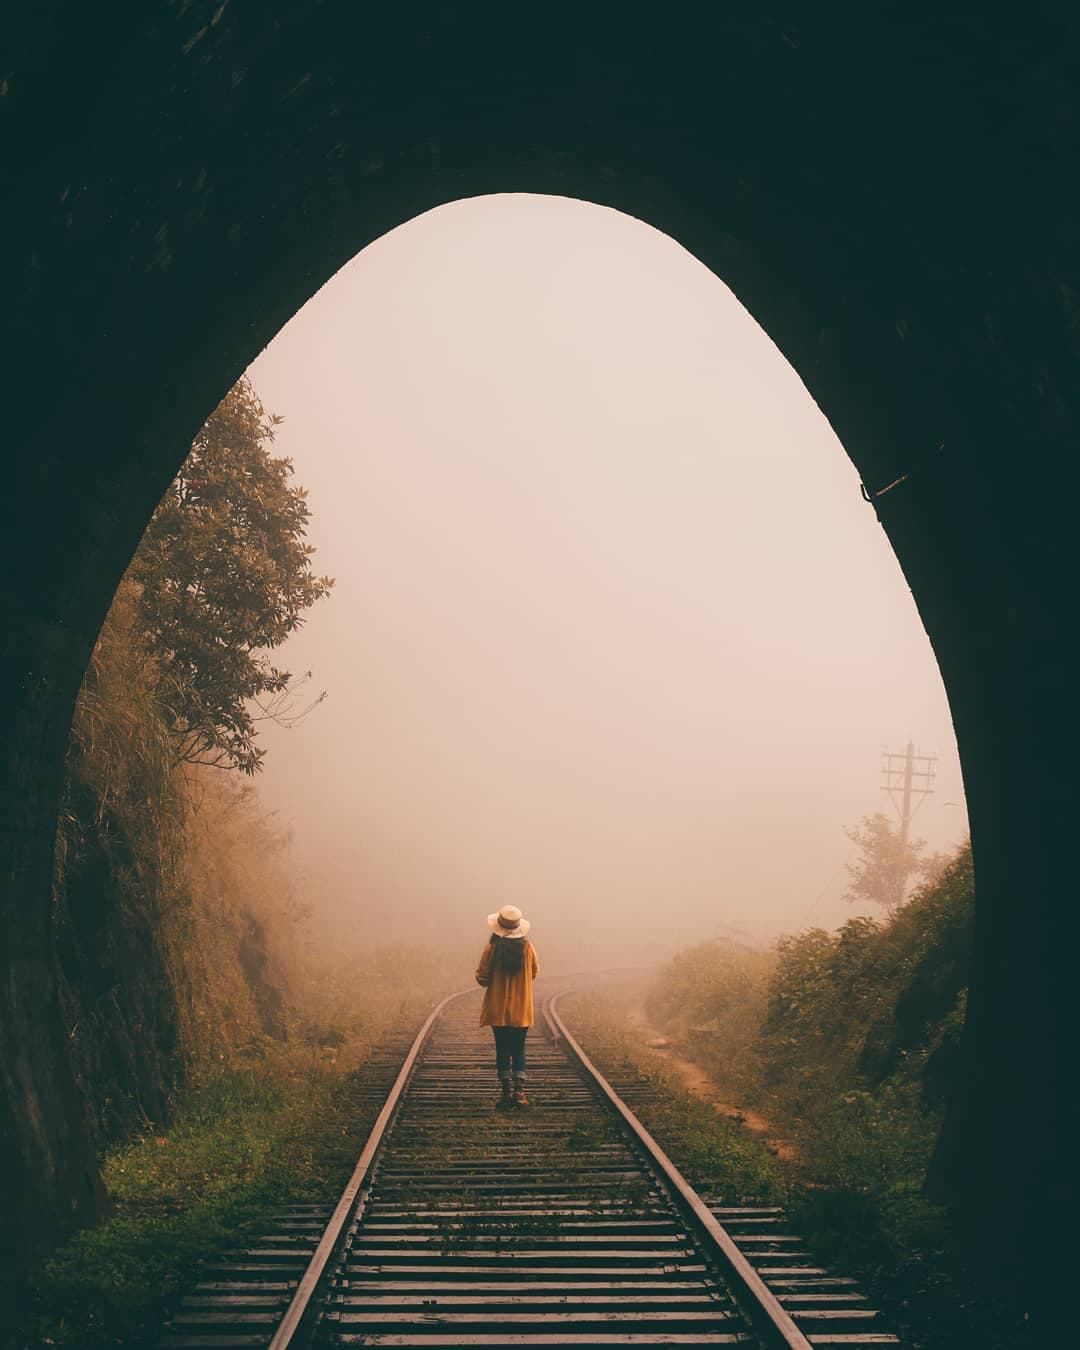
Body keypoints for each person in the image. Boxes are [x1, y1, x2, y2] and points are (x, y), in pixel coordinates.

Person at [475, 904, 540, 1109]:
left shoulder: (492, 949)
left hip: (498, 1009)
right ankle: (519, 1092)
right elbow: (534, 972)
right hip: (521, 1010)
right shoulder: (527, 948)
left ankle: (505, 1094)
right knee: (518, 1047)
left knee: (502, 1049)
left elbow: (482, 977)